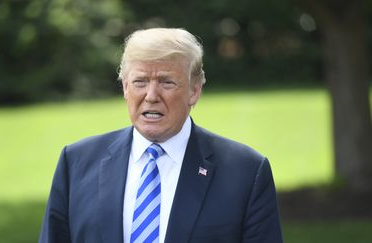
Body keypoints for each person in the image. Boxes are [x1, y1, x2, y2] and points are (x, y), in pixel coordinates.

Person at [39, 28, 283, 243]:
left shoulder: (246, 171)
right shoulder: (77, 163)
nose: (151, 95)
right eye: (140, 81)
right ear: (125, 87)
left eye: (167, 82)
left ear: (194, 91)